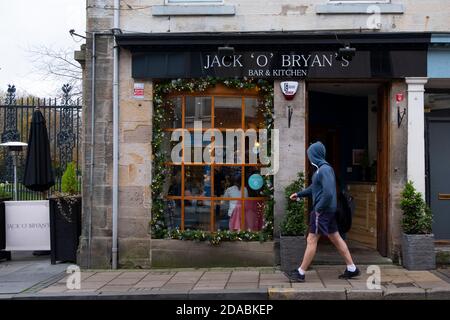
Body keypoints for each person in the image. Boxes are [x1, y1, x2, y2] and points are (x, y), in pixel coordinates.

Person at [288, 141, 360, 282]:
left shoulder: (325, 169)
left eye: (310, 155)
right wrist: (299, 194)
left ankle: (300, 272)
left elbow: (327, 193)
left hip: (322, 211)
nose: (309, 158)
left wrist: (318, 209)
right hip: (328, 211)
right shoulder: (320, 170)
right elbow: (314, 188)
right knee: (336, 238)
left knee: (311, 239)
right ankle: (352, 268)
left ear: (315, 155)